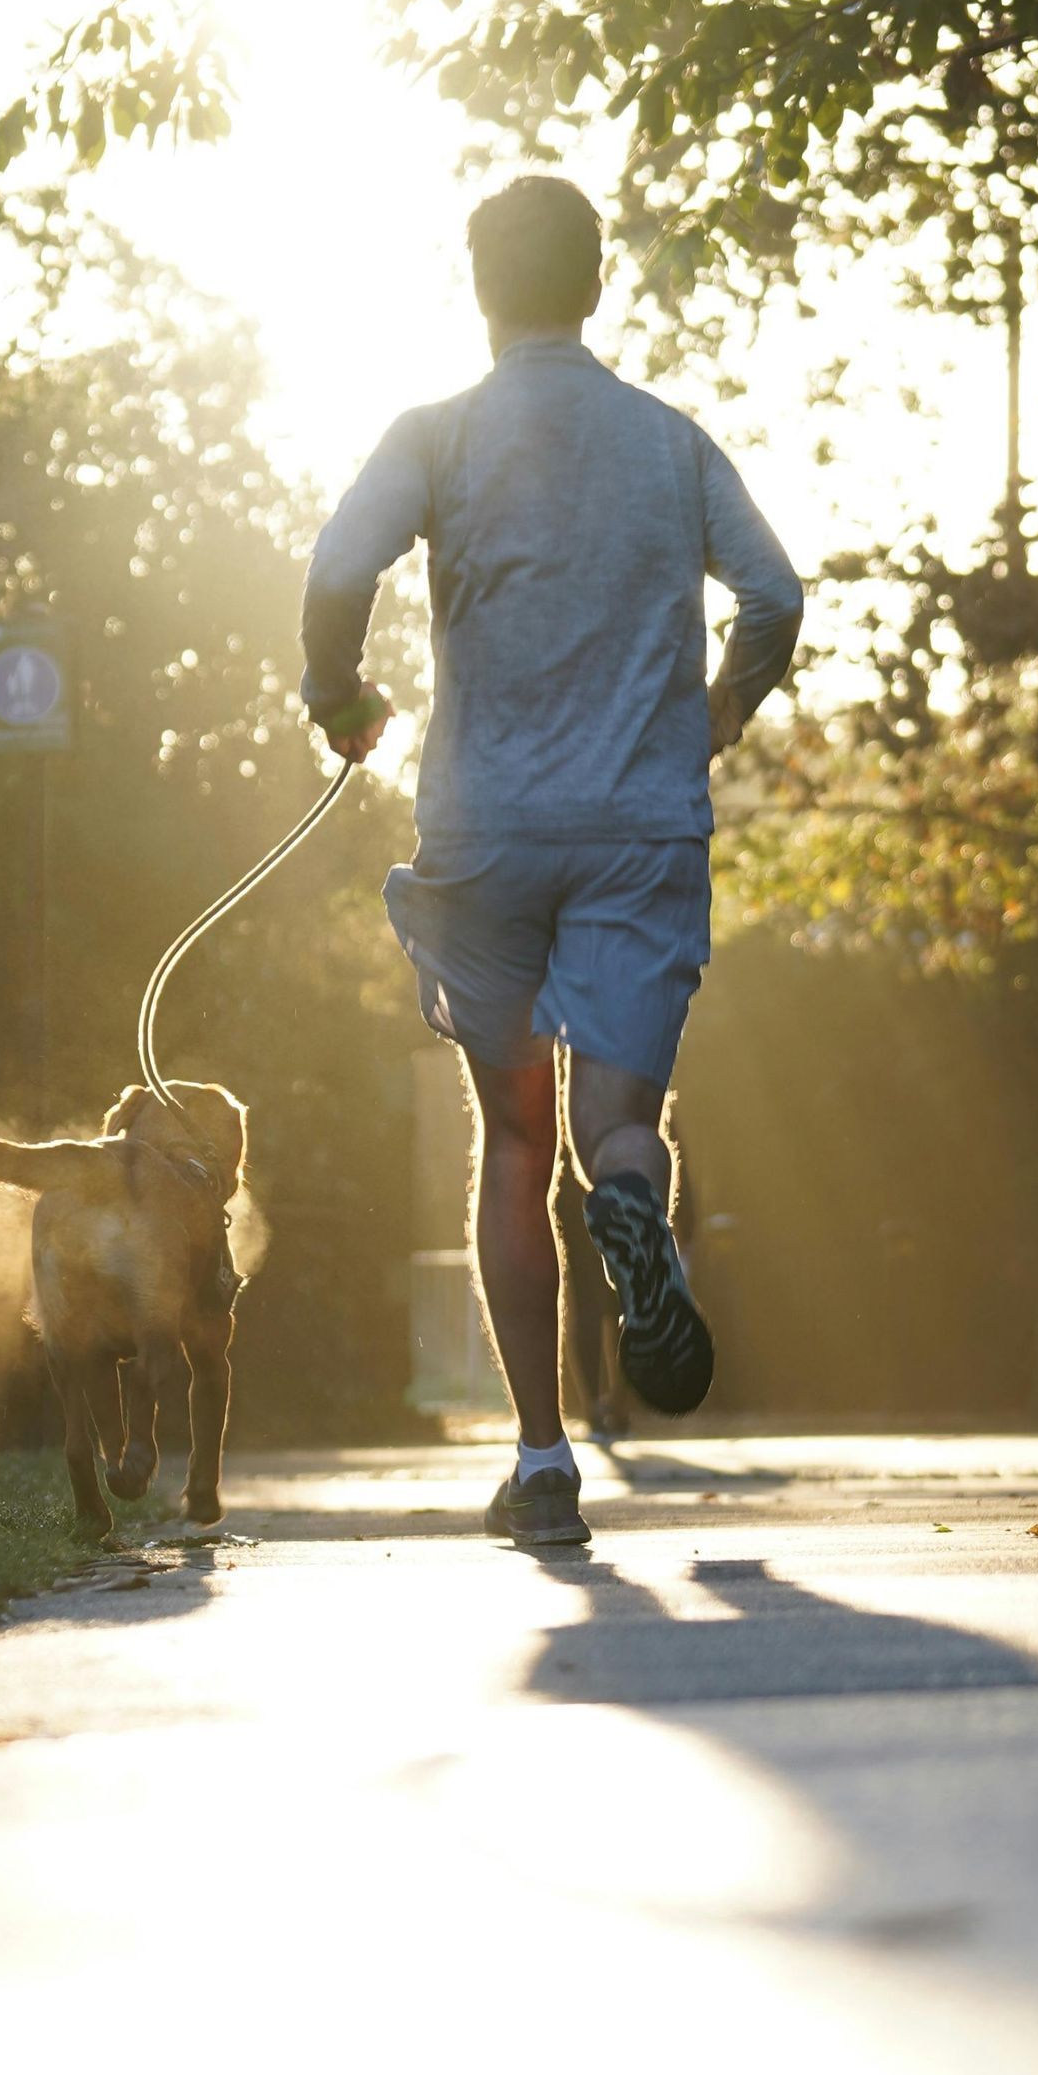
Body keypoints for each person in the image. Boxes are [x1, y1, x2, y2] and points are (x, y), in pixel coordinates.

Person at [300, 174, 802, 1549]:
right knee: (616, 1128)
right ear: (595, 285)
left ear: (481, 292)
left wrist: (334, 692)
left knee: (515, 1140)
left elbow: (340, 565)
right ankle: (633, 1204)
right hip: (640, 829)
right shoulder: (671, 443)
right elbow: (776, 594)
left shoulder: (437, 436)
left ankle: (542, 1461)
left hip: (489, 832)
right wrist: (726, 708)